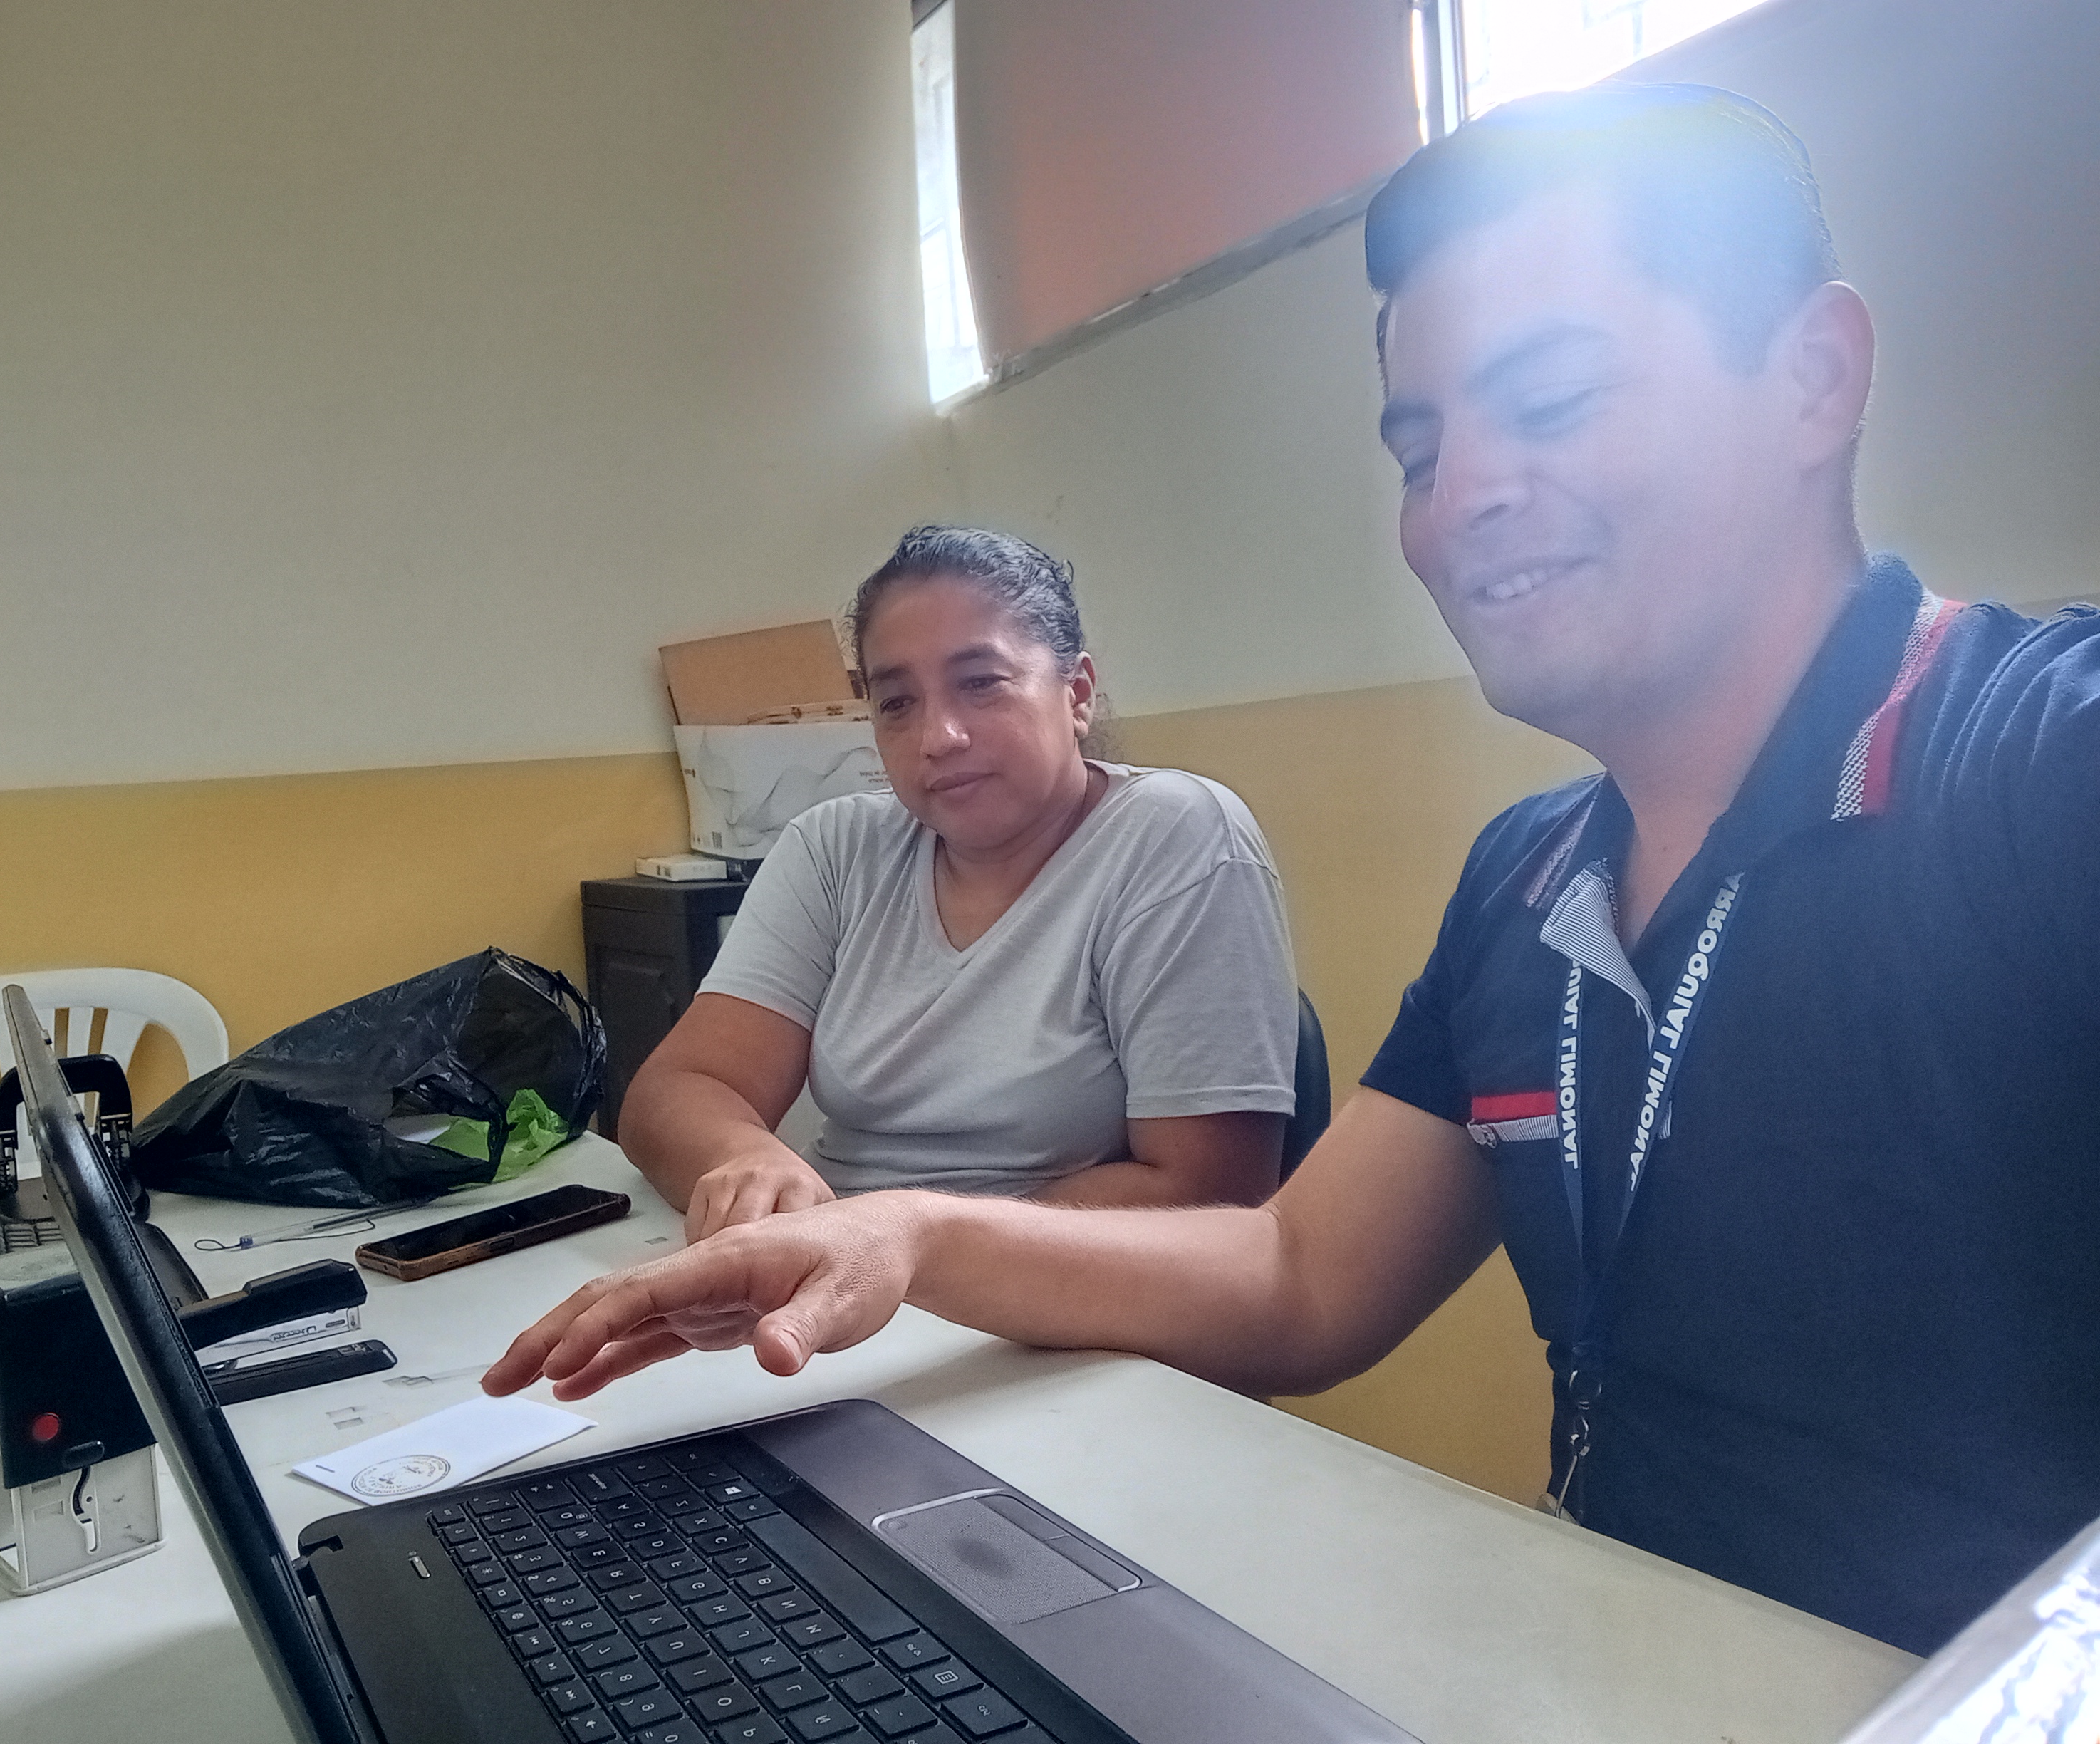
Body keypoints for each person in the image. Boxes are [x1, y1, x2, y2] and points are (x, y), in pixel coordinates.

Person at [487, 86, 2100, 1655]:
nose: (1463, 496)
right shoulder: (1527, 877)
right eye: (1419, 448)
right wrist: (895, 1238)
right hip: (1610, 1649)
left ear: (1812, 378)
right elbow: (1295, 1268)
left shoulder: (2032, 761)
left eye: (1550, 400)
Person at [624, 526, 1300, 1242]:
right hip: (839, 1265)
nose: (938, 737)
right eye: (897, 703)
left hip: (1056, 1289)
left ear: (1077, 695)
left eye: (981, 683)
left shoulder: (1174, 837)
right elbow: (681, 1087)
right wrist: (745, 1157)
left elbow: (1208, 1190)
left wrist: (904, 1243)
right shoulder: (834, 849)